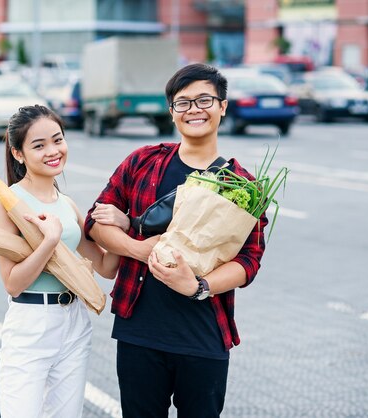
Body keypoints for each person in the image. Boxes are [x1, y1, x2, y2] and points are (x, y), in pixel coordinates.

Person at [86, 64, 269, 417]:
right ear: (172, 112)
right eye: (183, 103)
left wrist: (197, 286)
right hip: (139, 331)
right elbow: (96, 221)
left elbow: (249, 261)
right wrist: (137, 248)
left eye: (204, 99)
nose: (194, 110)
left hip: (203, 335)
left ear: (223, 106)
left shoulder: (243, 185)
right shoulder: (143, 161)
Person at [0, 105, 126, 418]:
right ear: (18, 154)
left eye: (58, 140)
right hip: (31, 324)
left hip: (74, 321)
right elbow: (13, 283)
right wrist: (49, 241)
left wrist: (123, 226)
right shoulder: (7, 203)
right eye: (39, 145)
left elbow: (106, 268)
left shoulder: (66, 204)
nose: (53, 151)